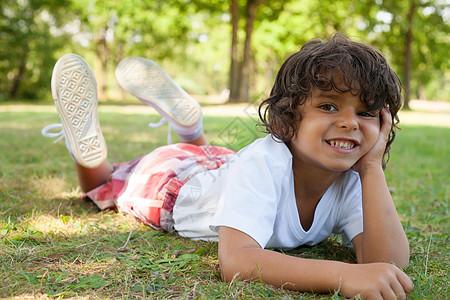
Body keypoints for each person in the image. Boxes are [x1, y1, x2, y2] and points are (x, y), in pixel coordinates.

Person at [42, 33, 413, 299]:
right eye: (329, 106)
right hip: (178, 185)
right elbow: (236, 261)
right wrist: (343, 277)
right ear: (285, 122)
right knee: (107, 183)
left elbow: (386, 263)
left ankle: (190, 127)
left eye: (366, 112)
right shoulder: (263, 163)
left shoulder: (352, 182)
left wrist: (371, 169)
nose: (350, 122)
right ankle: (89, 155)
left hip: (223, 165)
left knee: (219, 161)